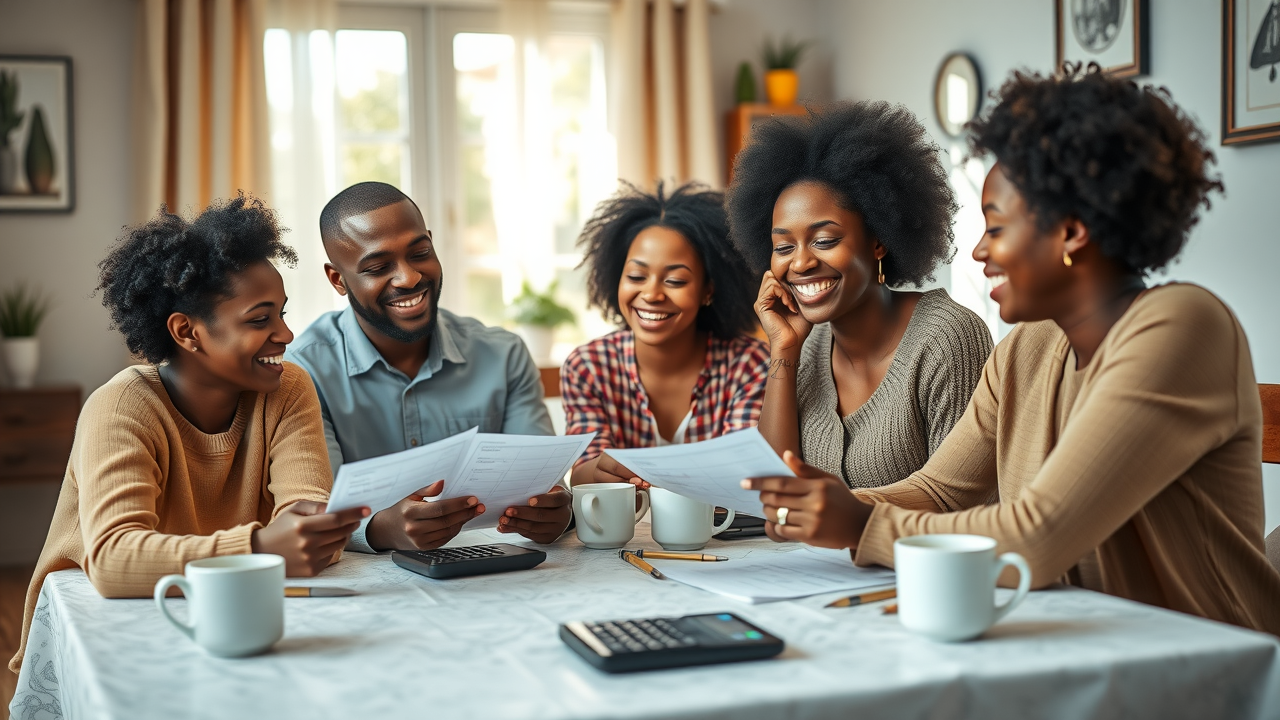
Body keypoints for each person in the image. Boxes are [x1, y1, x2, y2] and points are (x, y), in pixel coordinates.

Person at [744, 66, 1280, 633]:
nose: (978, 251)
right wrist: (824, 506)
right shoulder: (1027, 347)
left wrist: (859, 524)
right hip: (1085, 640)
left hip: (1215, 661)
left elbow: (1037, 534)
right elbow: (937, 489)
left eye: (996, 228)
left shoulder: (1182, 327)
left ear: (1070, 231)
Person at [9, 196, 367, 673]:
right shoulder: (121, 407)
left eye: (282, 313)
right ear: (187, 332)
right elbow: (115, 561)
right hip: (108, 628)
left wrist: (310, 530)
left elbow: (305, 520)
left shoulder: (287, 387)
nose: (285, 334)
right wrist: (261, 548)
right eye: (260, 319)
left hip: (225, 613)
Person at [725, 100, 993, 542]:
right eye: (783, 247)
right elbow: (774, 501)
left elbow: (963, 508)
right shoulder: (807, 344)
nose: (802, 263)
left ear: (880, 240)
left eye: (825, 239)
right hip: (818, 583)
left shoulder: (948, 338)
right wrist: (784, 352)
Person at [286, 182, 570, 552]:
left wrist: (559, 514)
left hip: (501, 575)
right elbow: (314, 508)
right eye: (378, 266)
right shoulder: (304, 371)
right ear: (338, 279)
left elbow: (542, 483)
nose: (410, 277)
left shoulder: (503, 355)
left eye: (420, 253)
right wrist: (381, 528)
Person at [563, 181, 769, 489]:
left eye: (675, 280)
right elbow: (582, 476)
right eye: (636, 276)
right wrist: (600, 471)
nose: (652, 294)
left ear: (708, 291)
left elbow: (744, 474)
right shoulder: (588, 367)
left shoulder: (750, 364)